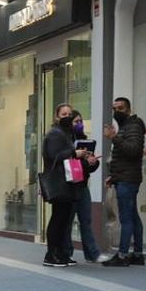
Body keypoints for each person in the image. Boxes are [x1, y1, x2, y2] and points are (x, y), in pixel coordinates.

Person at [41, 104, 88, 267]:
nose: (67, 116)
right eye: (63, 114)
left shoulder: (66, 133)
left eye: (69, 113)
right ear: (56, 116)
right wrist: (74, 153)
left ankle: (61, 253)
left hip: (68, 182)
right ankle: (51, 254)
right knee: (58, 219)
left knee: (64, 219)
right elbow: (55, 156)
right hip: (59, 182)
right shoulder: (55, 134)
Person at [103, 97, 146, 267]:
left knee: (126, 217)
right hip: (125, 177)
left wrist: (114, 137)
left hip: (128, 180)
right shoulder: (126, 127)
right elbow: (123, 158)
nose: (117, 112)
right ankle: (137, 254)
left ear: (128, 109)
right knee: (133, 216)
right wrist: (113, 176)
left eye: (120, 108)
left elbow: (133, 151)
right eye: (114, 109)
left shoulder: (133, 126)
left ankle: (123, 255)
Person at [62, 111, 111, 264]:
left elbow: (88, 167)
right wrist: (77, 155)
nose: (79, 124)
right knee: (67, 221)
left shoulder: (84, 140)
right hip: (68, 186)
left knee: (86, 220)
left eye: (80, 121)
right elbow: (64, 162)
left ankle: (92, 254)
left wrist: (93, 162)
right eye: (76, 121)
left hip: (82, 185)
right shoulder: (64, 140)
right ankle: (66, 252)